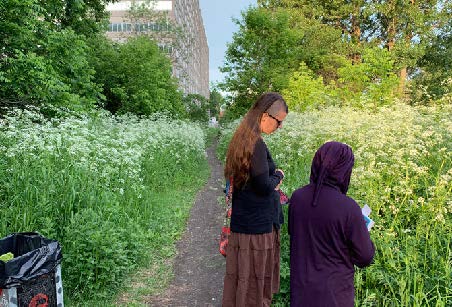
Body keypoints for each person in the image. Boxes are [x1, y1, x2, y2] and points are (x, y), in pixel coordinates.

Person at [288, 141, 375, 307]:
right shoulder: (348, 208)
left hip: (301, 292)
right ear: (344, 171)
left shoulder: (298, 198)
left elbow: (297, 236)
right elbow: (365, 257)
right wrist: (361, 231)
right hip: (335, 296)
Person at [222, 92, 288, 307]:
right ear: (265, 115)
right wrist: (278, 175)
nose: (280, 128)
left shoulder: (242, 138)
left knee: (244, 280)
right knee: (254, 284)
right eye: (279, 122)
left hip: (244, 222)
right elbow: (263, 186)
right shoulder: (256, 143)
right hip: (256, 228)